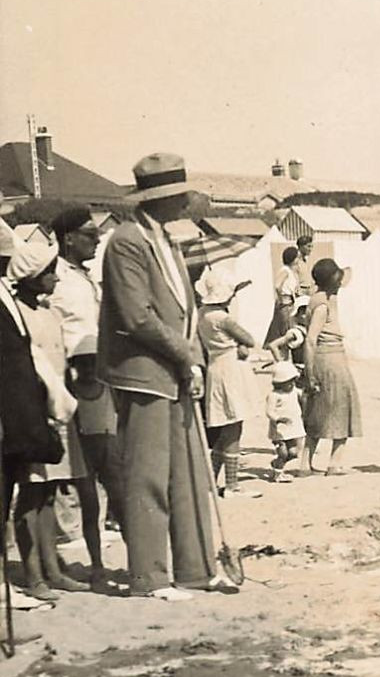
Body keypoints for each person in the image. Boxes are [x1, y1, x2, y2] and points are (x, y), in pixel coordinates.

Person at [98, 153, 232, 599]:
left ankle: (196, 568)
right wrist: (186, 355)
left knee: (191, 472)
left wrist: (191, 357)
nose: (183, 204)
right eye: (176, 197)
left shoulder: (168, 242)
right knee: (149, 475)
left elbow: (181, 308)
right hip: (143, 371)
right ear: (156, 199)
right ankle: (149, 577)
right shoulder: (126, 242)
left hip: (176, 369)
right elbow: (138, 317)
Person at [5, 237, 90, 596]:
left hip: (59, 410)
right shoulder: (16, 315)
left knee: (51, 492)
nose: (56, 280)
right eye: (50, 274)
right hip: (34, 412)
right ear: (32, 276)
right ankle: (34, 573)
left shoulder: (49, 312)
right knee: (31, 493)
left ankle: (53, 568)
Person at [50, 205, 123, 540]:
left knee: (101, 451)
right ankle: (70, 529)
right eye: (90, 235)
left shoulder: (84, 277)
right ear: (68, 240)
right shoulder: (58, 279)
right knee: (76, 456)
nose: (96, 241)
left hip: (97, 371)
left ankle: (99, 520)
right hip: (72, 374)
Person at [196, 264, 261, 498]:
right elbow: (249, 339)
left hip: (216, 366)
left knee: (226, 427)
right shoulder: (222, 318)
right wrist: (241, 345)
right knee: (234, 426)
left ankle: (211, 481)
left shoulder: (202, 314)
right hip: (230, 369)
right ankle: (232, 485)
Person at [302, 257, 363, 476]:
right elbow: (310, 340)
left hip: (326, 358)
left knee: (318, 411)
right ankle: (334, 463)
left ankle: (304, 464)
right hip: (330, 358)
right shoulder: (322, 305)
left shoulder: (318, 299)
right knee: (341, 407)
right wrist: (309, 373)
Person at [265, 361, 306, 482]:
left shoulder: (294, 391)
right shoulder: (274, 395)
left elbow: (304, 394)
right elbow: (269, 411)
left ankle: (276, 464)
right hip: (279, 430)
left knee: (293, 452)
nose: (292, 384)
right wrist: (277, 418)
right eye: (289, 382)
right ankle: (278, 474)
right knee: (283, 453)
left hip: (292, 428)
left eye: (293, 381)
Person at [264, 246, 302, 345]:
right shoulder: (285, 270)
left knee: (288, 328)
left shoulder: (291, 271)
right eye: (297, 257)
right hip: (285, 303)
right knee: (285, 330)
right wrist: (281, 299)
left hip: (290, 302)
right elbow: (277, 286)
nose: (298, 260)